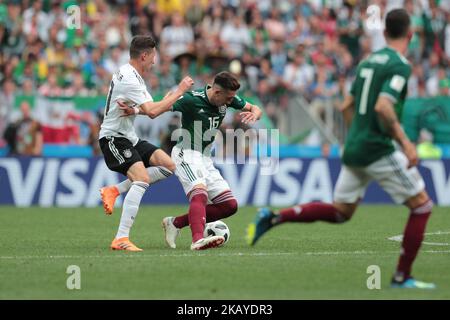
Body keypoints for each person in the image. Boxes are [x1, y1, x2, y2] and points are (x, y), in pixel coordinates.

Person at [247, 9, 436, 289]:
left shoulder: (368, 62)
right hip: (376, 148)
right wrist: (407, 144)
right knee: (422, 207)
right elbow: (383, 106)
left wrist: (356, 134)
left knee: (341, 212)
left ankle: (273, 217)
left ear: (384, 34)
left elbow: (346, 105)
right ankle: (401, 277)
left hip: (355, 146)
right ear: (410, 34)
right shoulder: (399, 65)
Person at [120, 71, 262, 250]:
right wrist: (134, 110)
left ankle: (175, 223)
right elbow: (157, 109)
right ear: (217, 92)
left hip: (205, 158)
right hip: (185, 154)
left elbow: (255, 108)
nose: (231, 101)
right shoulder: (191, 100)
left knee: (229, 205)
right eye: (228, 98)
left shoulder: (229, 98)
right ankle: (197, 240)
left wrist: (255, 114)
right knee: (199, 194)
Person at [98, 35, 194, 252]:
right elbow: (153, 112)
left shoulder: (131, 74)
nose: (154, 63)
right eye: (152, 58)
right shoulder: (131, 79)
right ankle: (121, 238)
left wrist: (134, 110)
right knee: (141, 178)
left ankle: (114, 190)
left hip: (128, 136)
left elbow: (148, 107)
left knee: (169, 166)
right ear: (144, 55)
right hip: (113, 138)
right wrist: (179, 92)